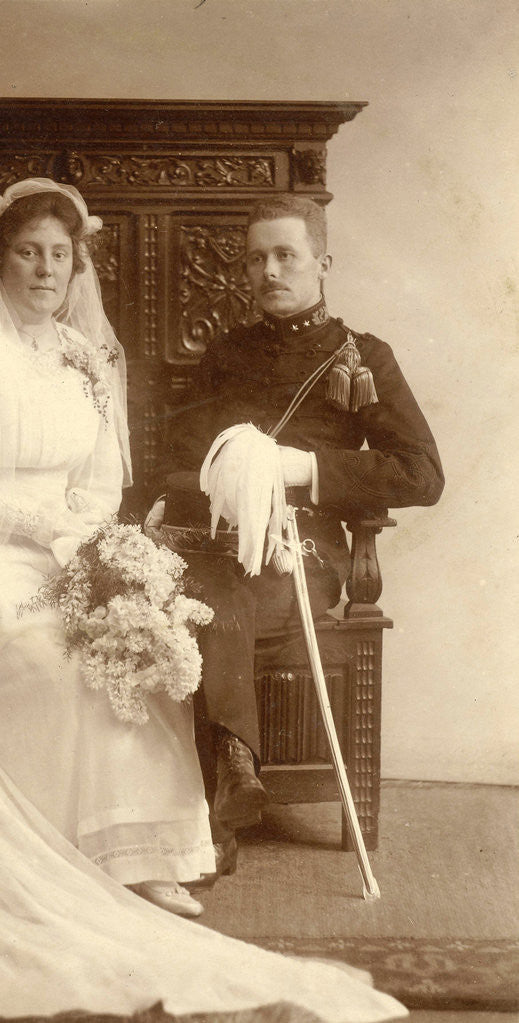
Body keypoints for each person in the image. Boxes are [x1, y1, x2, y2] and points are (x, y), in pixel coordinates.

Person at [0, 179, 406, 1022]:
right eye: (27, 252)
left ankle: (142, 853)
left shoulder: (90, 355)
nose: (44, 270)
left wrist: (272, 476)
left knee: (139, 645)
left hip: (144, 546)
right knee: (70, 651)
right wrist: (71, 530)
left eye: (59, 256)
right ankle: (75, 852)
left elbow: (107, 478)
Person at [146, 195, 444, 864]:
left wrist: (305, 467)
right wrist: (204, 483)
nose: (269, 271)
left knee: (223, 598)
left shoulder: (362, 356)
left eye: (285, 255)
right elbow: (179, 454)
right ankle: (231, 771)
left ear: (321, 262)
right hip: (219, 540)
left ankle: (221, 791)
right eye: (256, 258)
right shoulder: (226, 352)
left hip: (302, 550)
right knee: (201, 591)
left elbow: (421, 474)